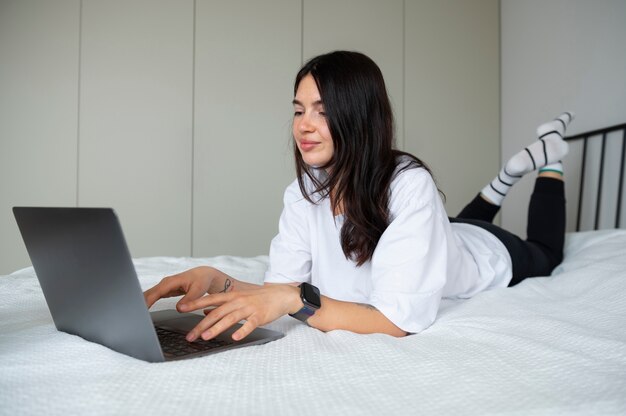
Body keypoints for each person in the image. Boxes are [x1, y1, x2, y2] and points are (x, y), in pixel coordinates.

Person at [144, 51, 573, 342]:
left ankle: (549, 159)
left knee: (546, 253)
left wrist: (296, 300)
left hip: (487, 252)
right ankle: (506, 176)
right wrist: (217, 280)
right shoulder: (303, 192)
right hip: (443, 235)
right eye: (299, 110)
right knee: (456, 223)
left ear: (358, 116)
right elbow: (280, 292)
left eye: (323, 111)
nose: (304, 126)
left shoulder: (409, 184)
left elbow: (395, 321)